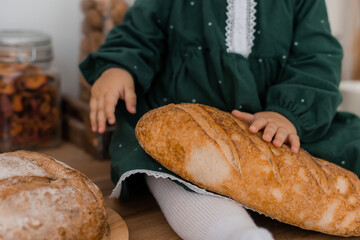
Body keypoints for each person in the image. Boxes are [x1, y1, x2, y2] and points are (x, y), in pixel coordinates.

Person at [80, 0, 360, 239]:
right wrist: (118, 67)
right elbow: (139, 33)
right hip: (188, 131)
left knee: (346, 147)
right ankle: (234, 232)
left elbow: (317, 59)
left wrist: (287, 112)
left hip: (273, 128)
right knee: (165, 170)